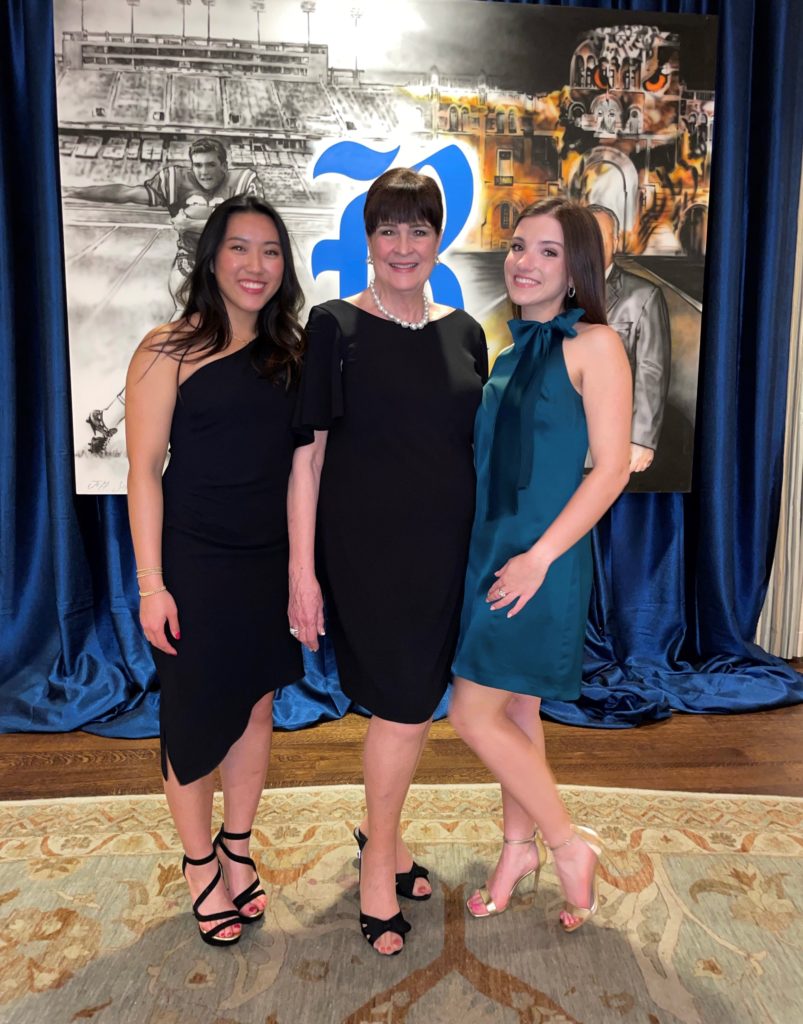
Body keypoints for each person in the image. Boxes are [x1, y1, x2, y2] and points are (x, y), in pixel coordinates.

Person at [288, 167, 488, 956]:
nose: (402, 247)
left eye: (417, 230)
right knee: (403, 707)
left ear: (439, 238)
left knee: (412, 709)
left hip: (447, 551)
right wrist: (302, 573)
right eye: (386, 230)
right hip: (366, 553)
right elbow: (305, 459)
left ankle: (389, 839)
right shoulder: (333, 325)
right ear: (366, 239)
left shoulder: (465, 329)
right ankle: (377, 865)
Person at [125, 194, 308, 947]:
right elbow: (142, 473)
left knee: (255, 710)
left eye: (270, 251)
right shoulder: (165, 349)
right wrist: (151, 584)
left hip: (266, 563)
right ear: (211, 257)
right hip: (193, 564)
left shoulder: (292, 354)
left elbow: (306, 470)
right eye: (239, 248)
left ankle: (237, 846)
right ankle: (199, 863)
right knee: (195, 720)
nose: (255, 266)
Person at [449, 199, 631, 933]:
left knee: (471, 712)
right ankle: (515, 852)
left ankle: (564, 846)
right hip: (492, 552)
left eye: (547, 252)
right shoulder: (512, 346)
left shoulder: (596, 345)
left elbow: (611, 470)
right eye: (518, 245)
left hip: (542, 559)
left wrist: (538, 557)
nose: (523, 261)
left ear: (577, 267)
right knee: (517, 711)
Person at [65, 138, 262, 451]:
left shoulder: (244, 182)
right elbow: (127, 193)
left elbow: (243, 227)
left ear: (224, 164)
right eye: (198, 165)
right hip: (191, 278)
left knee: (181, 358)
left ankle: (109, 417)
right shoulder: (175, 181)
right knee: (186, 356)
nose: (205, 171)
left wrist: (192, 221)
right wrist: (76, 191)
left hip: (225, 285)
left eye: (211, 164)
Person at [588, 204, 671, 474]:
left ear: (616, 240)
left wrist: (641, 439)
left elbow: (651, 370)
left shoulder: (643, 296)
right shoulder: (557, 292)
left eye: (600, 236)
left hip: (613, 442)